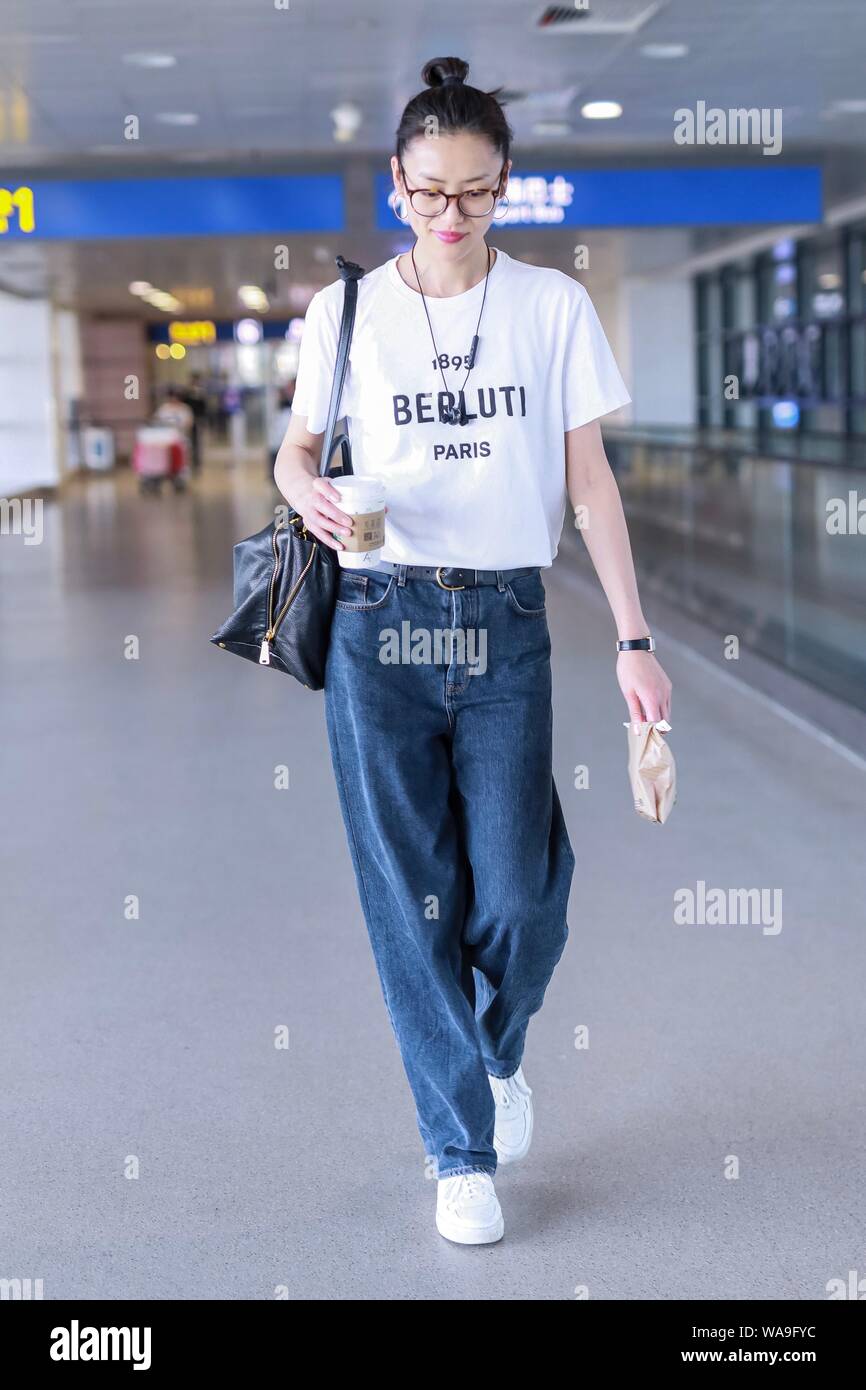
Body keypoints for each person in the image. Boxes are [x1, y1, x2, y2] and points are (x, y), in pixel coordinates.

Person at [275, 56, 672, 1246]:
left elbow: (587, 484)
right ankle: (458, 1146)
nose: (451, 218)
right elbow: (294, 452)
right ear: (394, 183)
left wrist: (634, 640)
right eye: (430, 193)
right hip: (377, 621)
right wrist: (312, 500)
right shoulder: (342, 314)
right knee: (410, 896)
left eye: (476, 195)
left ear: (505, 188)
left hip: (502, 618)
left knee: (517, 892)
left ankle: (493, 1056)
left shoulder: (551, 307)